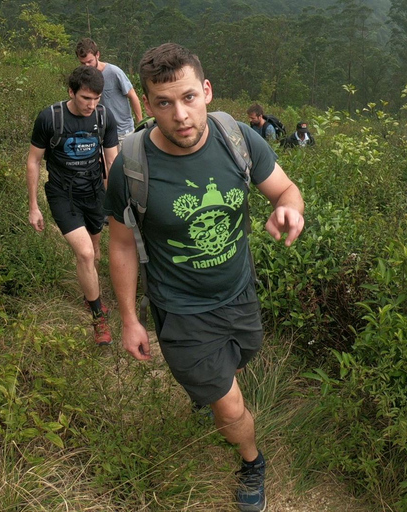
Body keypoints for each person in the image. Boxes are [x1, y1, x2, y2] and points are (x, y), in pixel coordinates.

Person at [104, 43, 304, 512]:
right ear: (148, 105)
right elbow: (119, 245)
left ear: (207, 91)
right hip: (181, 310)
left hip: (239, 292)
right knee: (230, 406)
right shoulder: (132, 166)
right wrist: (130, 318)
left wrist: (288, 211)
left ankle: (211, 388)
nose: (181, 115)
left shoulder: (237, 138)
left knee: (241, 358)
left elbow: (286, 189)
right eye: (165, 103)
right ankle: (252, 464)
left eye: (189, 97)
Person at [27, 65, 119, 346]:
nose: (92, 105)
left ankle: (89, 291)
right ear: (71, 92)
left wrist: (116, 202)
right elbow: (33, 161)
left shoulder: (104, 117)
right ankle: (97, 318)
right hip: (62, 194)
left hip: (93, 193)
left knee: (96, 249)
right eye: (85, 99)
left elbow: (111, 161)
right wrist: (33, 206)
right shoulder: (50, 118)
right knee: (86, 254)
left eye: (97, 98)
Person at [75, 38, 144, 142]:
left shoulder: (114, 72)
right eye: (83, 63)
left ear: (97, 55)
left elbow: (133, 96)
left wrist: (140, 124)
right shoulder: (84, 77)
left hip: (123, 132)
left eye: (89, 61)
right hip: (100, 133)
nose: (87, 66)